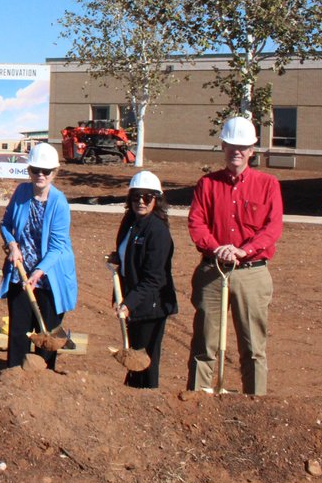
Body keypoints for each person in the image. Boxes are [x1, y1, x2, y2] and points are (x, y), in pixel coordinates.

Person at [186, 116, 282, 396]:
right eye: (231, 145)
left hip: (251, 273)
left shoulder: (268, 185)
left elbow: (272, 227)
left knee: (253, 348)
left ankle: (256, 405)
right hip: (213, 271)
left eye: (242, 147)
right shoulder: (207, 184)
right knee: (204, 345)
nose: (236, 151)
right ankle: (197, 404)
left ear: (252, 150)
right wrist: (217, 248)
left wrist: (244, 250)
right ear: (223, 146)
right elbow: (197, 222)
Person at [0, 143, 77, 370]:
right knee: (18, 333)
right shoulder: (22, 192)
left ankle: (43, 382)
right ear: (29, 170)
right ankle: (14, 377)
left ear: (55, 172)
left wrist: (38, 272)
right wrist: (12, 245)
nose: (40, 175)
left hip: (50, 278)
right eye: (35, 170)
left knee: (47, 336)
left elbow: (57, 246)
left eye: (46, 171)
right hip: (20, 276)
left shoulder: (59, 203)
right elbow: (6, 225)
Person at [107, 170, 177, 389]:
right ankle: (132, 394)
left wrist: (129, 303)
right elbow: (131, 256)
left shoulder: (157, 231)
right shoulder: (130, 222)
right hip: (133, 301)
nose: (140, 201)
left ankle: (146, 399)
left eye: (147, 197)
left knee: (145, 359)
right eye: (136, 196)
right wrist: (118, 257)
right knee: (134, 353)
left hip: (150, 305)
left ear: (156, 200)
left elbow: (155, 278)